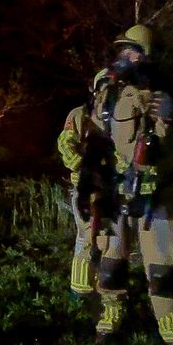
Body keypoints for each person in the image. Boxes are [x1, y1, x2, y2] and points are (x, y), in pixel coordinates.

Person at [78, 24, 173, 345]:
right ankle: (109, 327)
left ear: (147, 56)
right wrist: (87, 189)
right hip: (116, 195)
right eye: (121, 51)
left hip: (158, 199)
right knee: (110, 267)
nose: (123, 58)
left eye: (130, 51)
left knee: (162, 273)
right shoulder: (107, 96)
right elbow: (95, 144)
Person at [57, 68, 111, 299]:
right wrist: (84, 166)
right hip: (86, 187)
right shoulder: (80, 115)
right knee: (88, 235)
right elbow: (65, 144)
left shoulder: (120, 116)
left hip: (111, 187)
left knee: (107, 238)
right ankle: (80, 291)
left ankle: (101, 287)